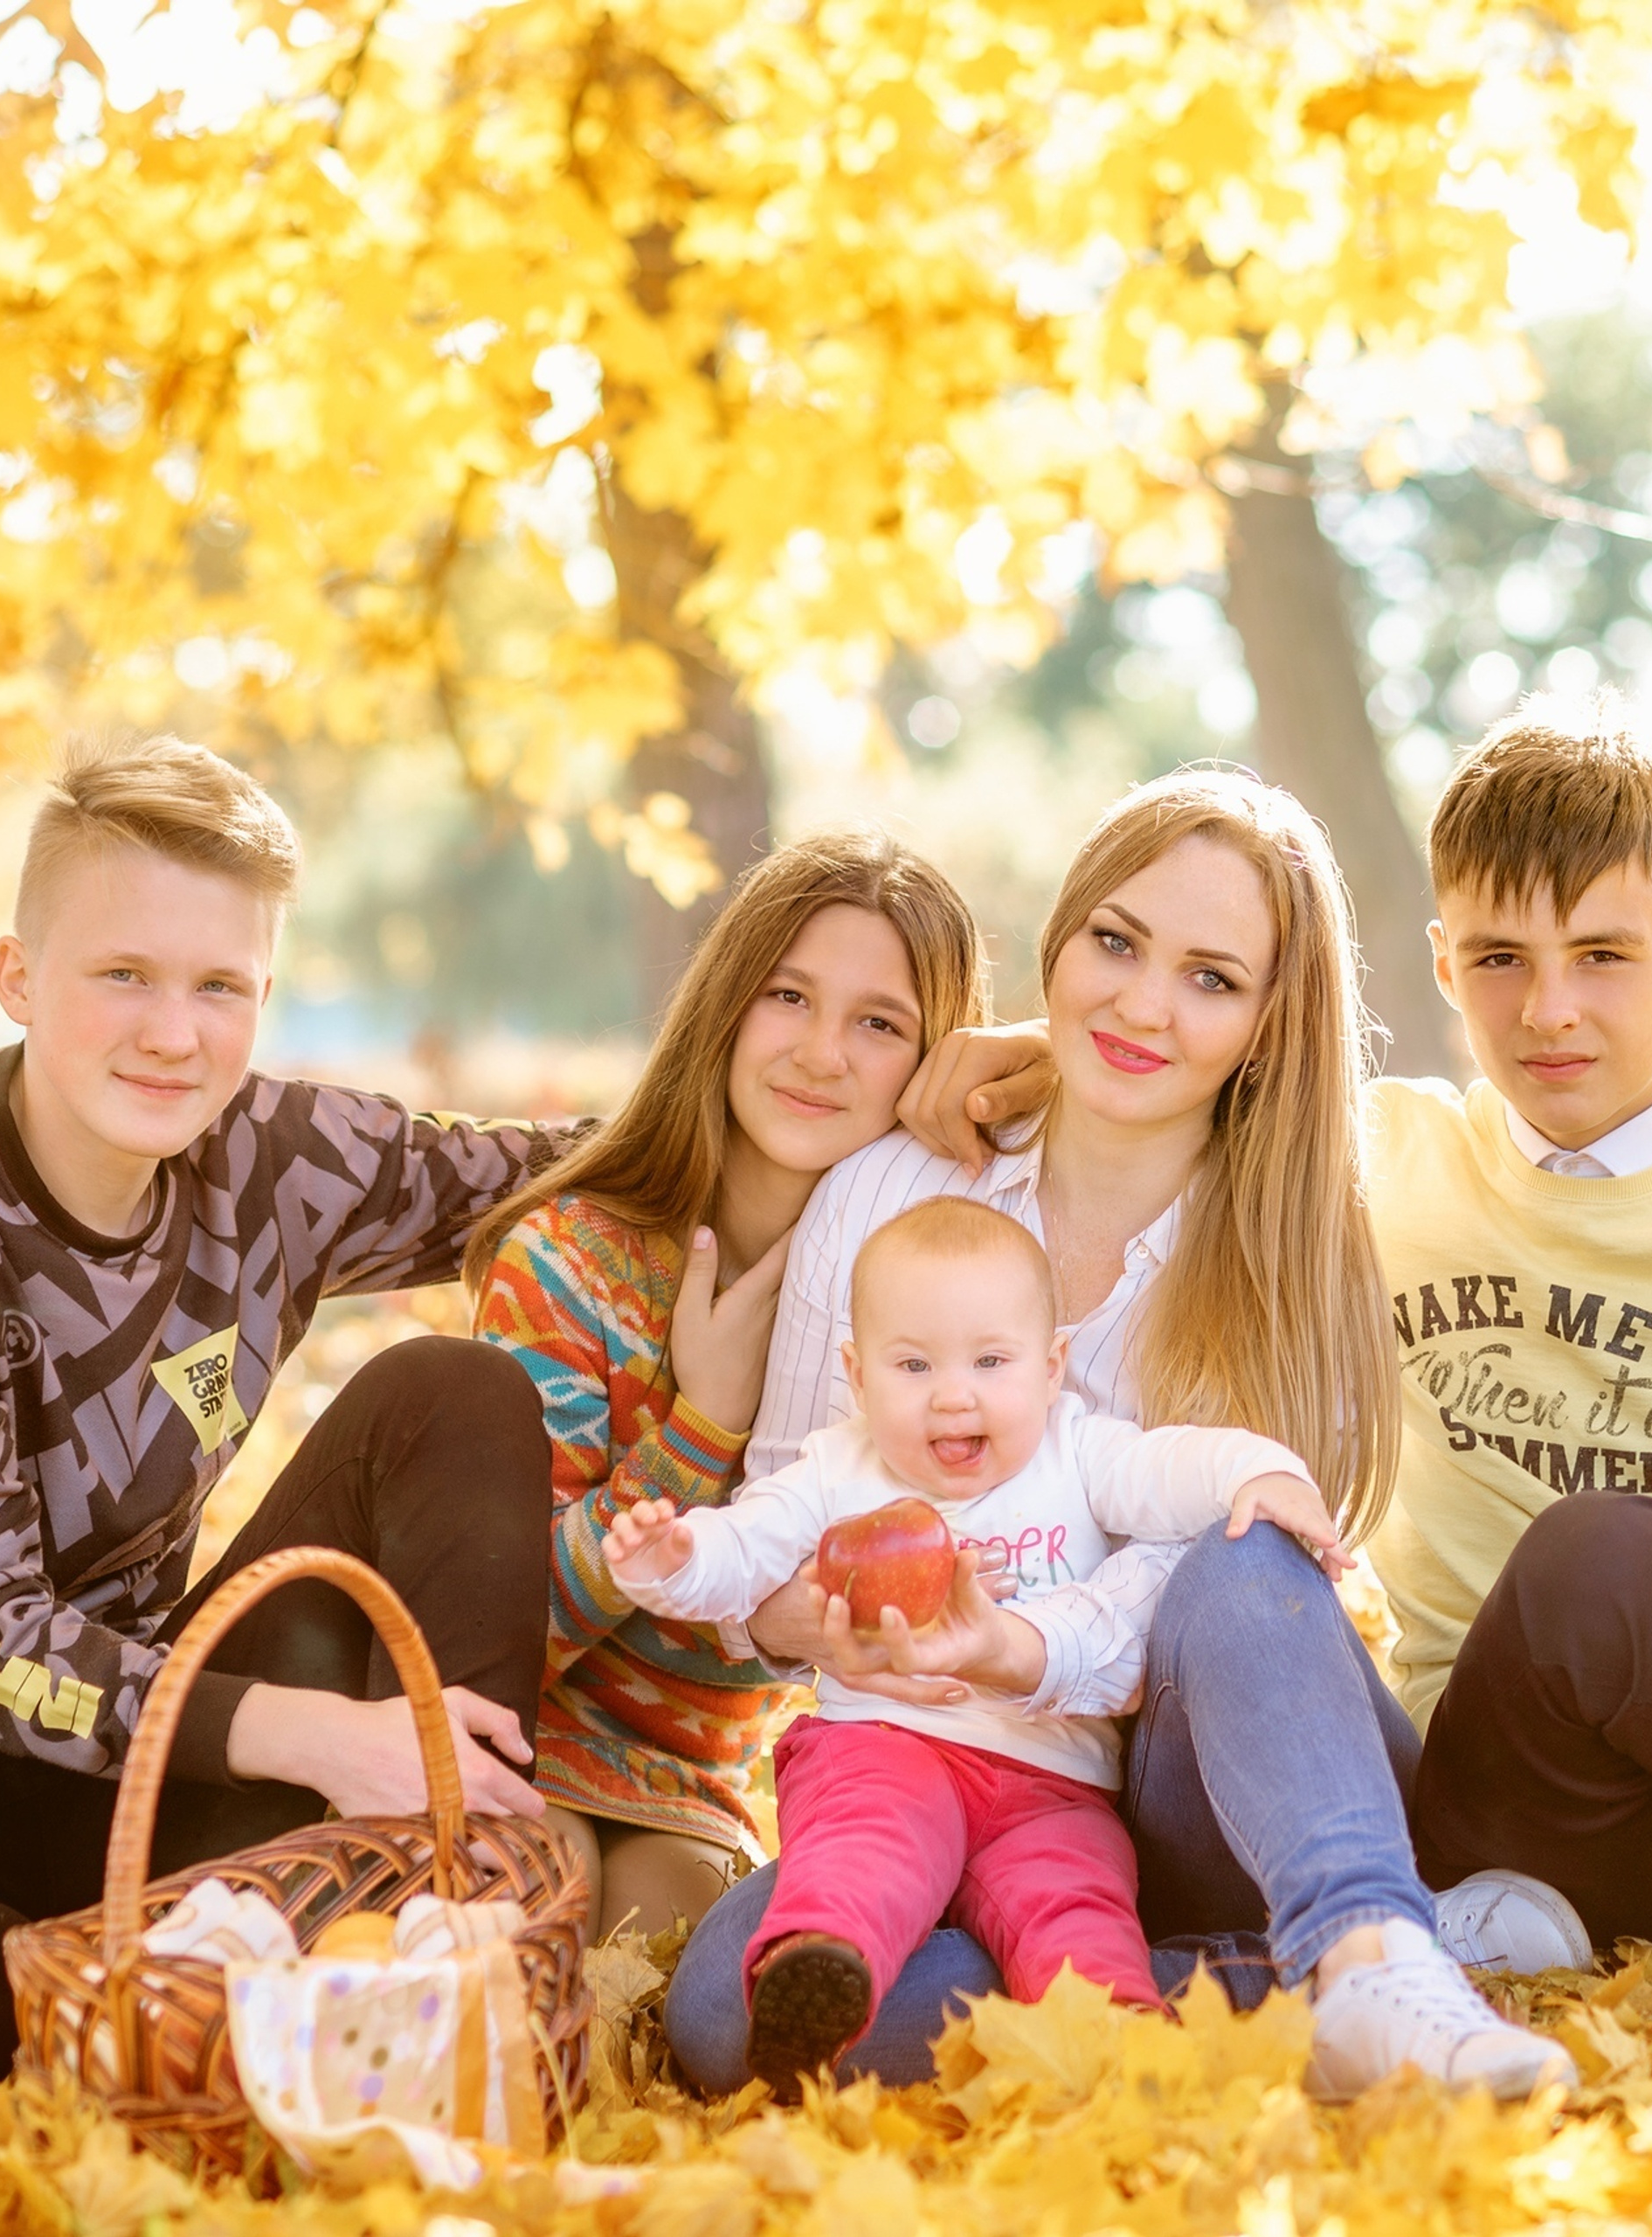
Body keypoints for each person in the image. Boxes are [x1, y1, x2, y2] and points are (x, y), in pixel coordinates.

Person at [930, 698, 1652, 2067]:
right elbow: (1186, 1044)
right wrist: (1025, 1049)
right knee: (1591, 1557)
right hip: (1544, 1811)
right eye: (1501, 958)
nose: (1549, 1010)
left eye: (1603, 954)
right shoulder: (1376, 1159)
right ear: (1444, 963)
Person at [665, 767, 1580, 2103]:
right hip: (937, 1784)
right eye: (1115, 941)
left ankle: (1362, 1941)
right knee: (726, 2013)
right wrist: (828, 1617)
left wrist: (1017, 1646)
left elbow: (1206, 1610)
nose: (1144, 1004)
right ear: (1059, 942)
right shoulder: (887, 1194)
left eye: (1211, 978)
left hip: (1218, 1795)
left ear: (1266, 1024)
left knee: (1240, 1546)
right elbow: (780, 1535)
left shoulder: (1283, 1262)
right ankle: (1301, 1985)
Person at [0, 738, 579, 2088]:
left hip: (169, 1784)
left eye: (220, 986)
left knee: (448, 1389)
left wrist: (923, 1089)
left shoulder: (276, 1155)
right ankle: (129, 2027)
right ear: (18, 977)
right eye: (123, 975)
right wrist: (327, 1738)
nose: (172, 1032)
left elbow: (576, 1173)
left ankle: (447, 1922)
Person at [606, 1197, 1347, 2088]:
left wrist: (1263, 1471)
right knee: (862, 1847)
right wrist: (675, 1558)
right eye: (913, 1364)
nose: (953, 1394)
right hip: (887, 1743)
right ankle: (820, 1965)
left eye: (991, 1362)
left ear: (1051, 1367)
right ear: (857, 1375)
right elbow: (747, 1546)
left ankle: (1117, 2045)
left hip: (1051, 1783)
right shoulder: (837, 1468)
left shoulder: (1078, 1450)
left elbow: (1174, 1467)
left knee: (1075, 1907)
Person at [466, 829, 986, 1941]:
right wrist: (697, 1430)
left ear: (932, 1064)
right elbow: (508, 1629)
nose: (821, 1053)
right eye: (787, 996)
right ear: (727, 1004)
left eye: (880, 1024)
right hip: (510, 1737)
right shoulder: (572, 1260)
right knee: (535, 1903)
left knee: (653, 1945)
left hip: (689, 1784)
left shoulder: (914, 1314)